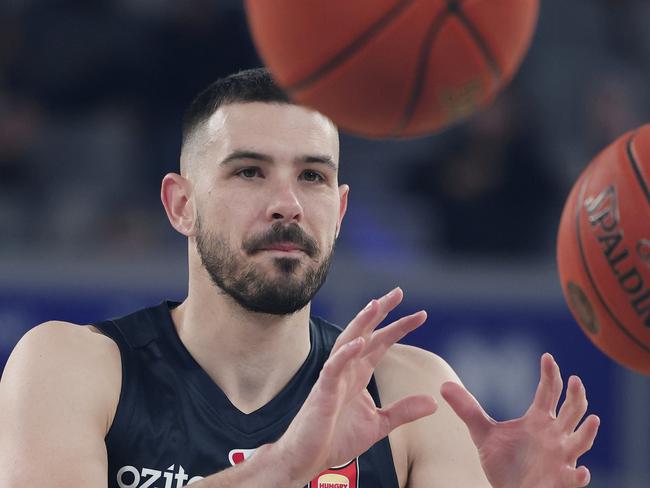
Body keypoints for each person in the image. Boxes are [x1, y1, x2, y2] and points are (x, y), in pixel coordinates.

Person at [0, 68, 599, 488]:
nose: (287, 202)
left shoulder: (409, 392)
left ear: (339, 213)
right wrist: (286, 467)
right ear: (181, 205)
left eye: (312, 177)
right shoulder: (71, 365)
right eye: (249, 172)